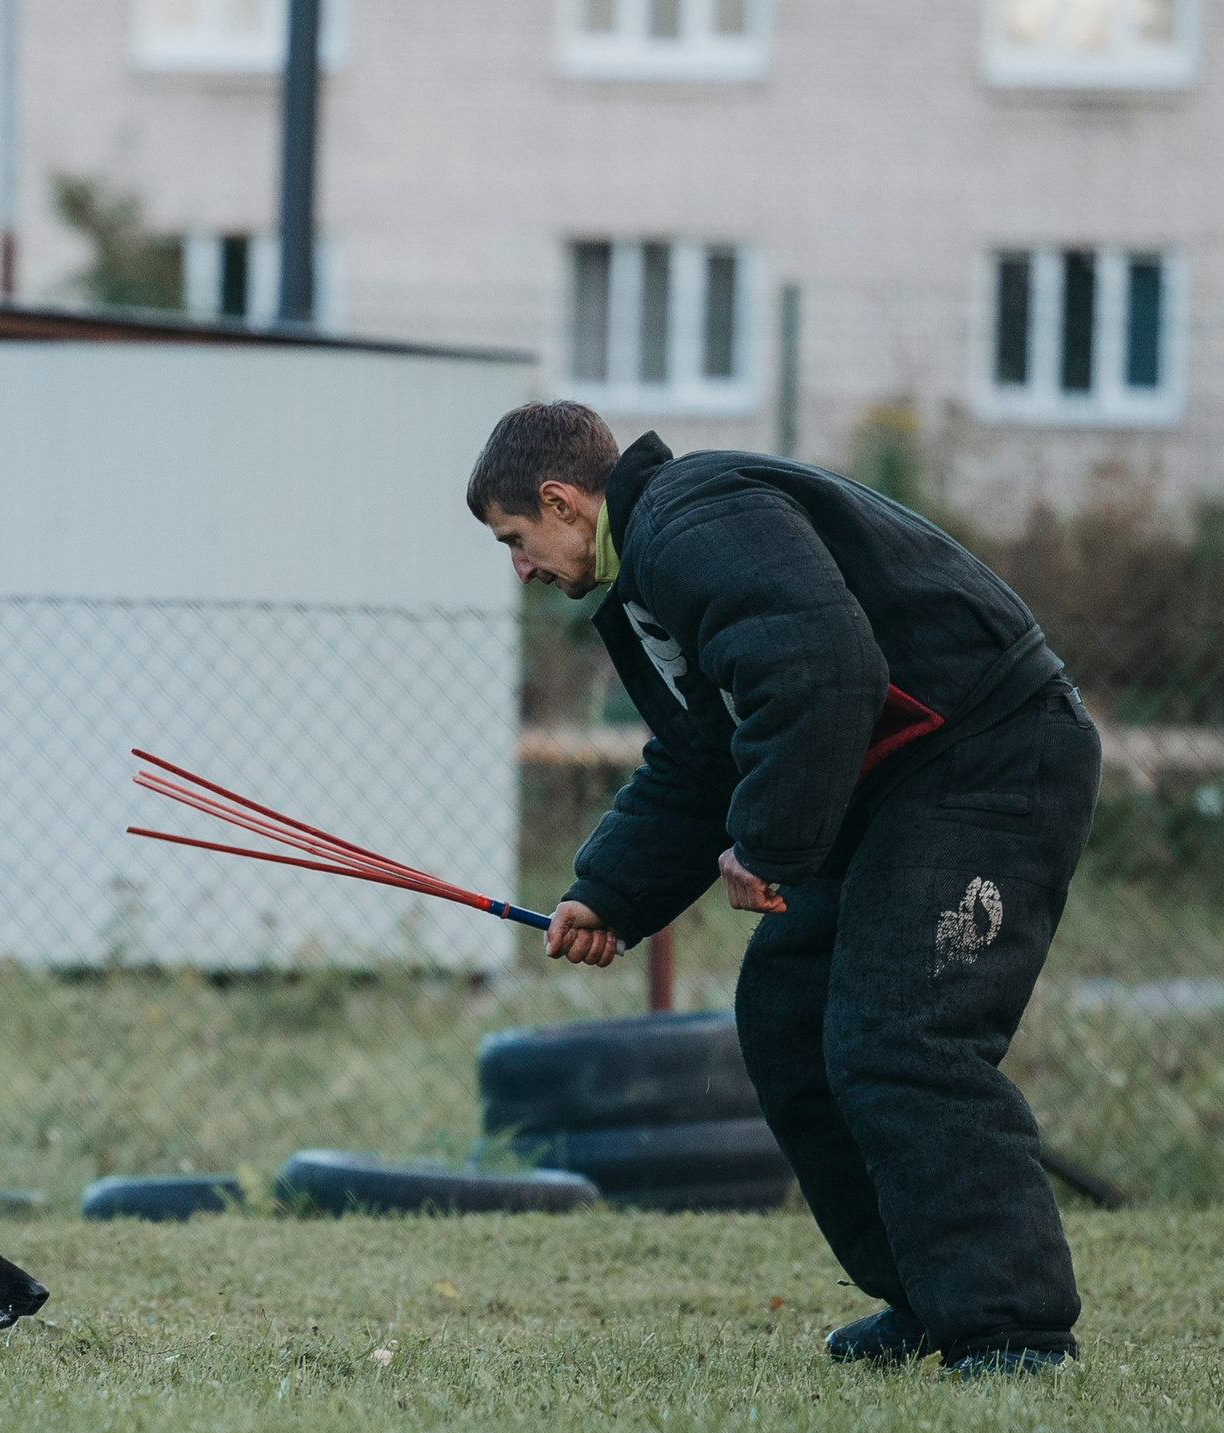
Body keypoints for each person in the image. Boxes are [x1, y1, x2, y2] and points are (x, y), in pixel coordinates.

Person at [467, 400, 1101, 1376]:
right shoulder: (650, 587)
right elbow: (702, 759)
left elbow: (819, 668)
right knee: (789, 1018)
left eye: (515, 539)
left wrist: (765, 846)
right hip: (892, 784)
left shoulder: (690, 518)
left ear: (560, 500)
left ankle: (1012, 1331)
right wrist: (608, 894)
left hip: (988, 756)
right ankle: (924, 1297)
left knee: (901, 1038)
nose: (519, 567)